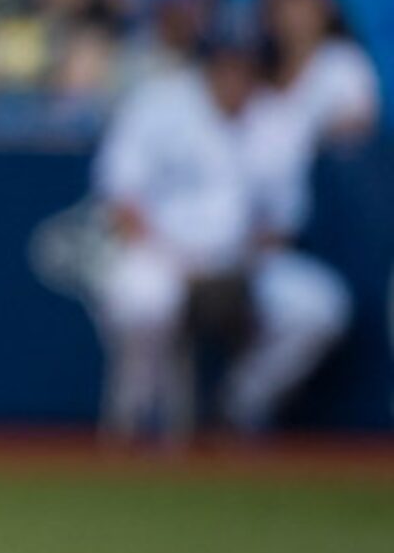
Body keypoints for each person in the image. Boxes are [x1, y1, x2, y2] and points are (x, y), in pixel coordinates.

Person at [91, 22, 349, 439]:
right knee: (141, 300)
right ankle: (137, 415)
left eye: (244, 66)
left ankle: (239, 405)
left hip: (243, 262)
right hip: (162, 256)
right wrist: (174, 258)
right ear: (206, 66)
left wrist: (237, 262)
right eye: (224, 65)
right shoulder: (159, 103)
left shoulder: (278, 121)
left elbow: (283, 222)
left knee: (320, 308)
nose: (233, 76)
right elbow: (120, 196)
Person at [261, 0, 380, 146]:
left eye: (305, 6)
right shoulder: (257, 75)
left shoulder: (343, 63)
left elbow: (357, 133)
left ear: (324, 10)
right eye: (286, 6)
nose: (296, 17)